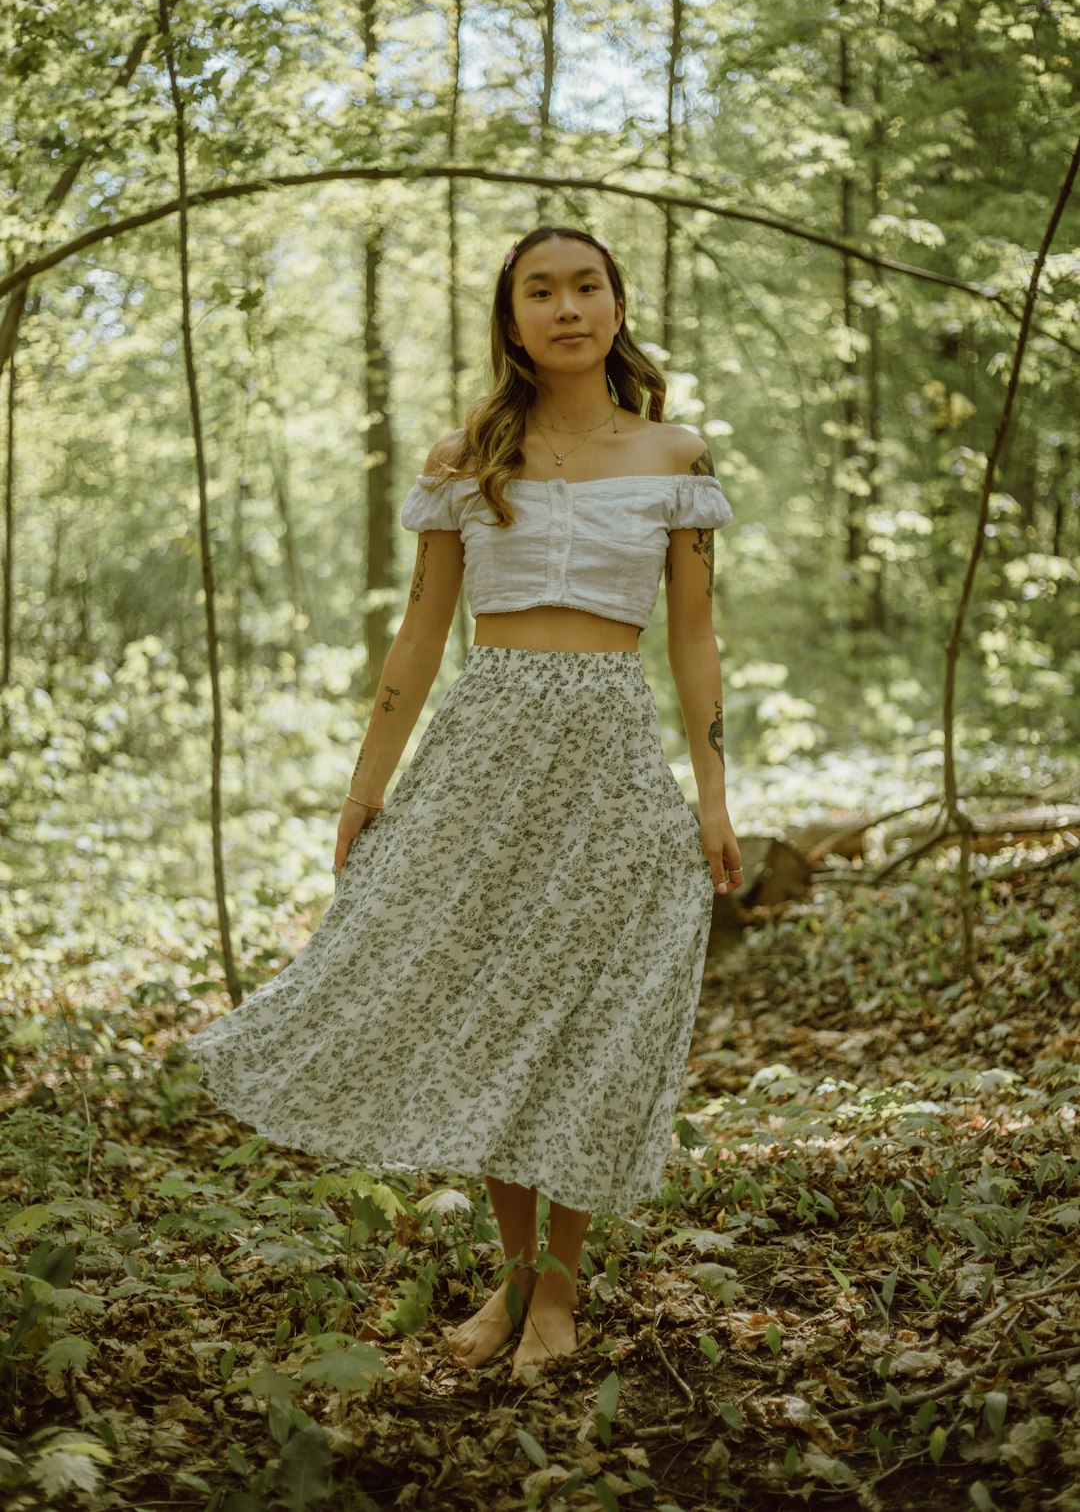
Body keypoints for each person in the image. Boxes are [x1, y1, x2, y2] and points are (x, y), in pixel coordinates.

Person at [182, 224, 741, 1384]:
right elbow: (421, 634)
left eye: (586, 286)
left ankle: (556, 1295)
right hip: (482, 758)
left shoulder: (675, 453)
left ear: (616, 304)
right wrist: (365, 785)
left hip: (610, 758)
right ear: (513, 316)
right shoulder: (466, 456)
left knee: (590, 1022)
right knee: (498, 1010)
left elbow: (695, 640)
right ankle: (516, 1273)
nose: (567, 307)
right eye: (541, 290)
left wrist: (715, 795)